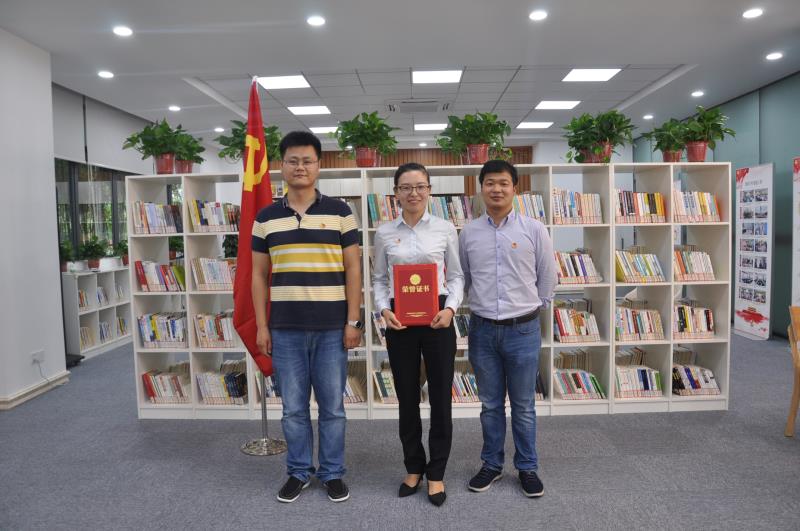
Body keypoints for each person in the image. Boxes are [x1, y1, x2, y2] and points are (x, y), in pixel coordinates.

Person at [251, 131, 362, 504]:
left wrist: (353, 321)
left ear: (318, 165)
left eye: (307, 161)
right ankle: (298, 472)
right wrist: (262, 326)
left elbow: (353, 269)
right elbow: (258, 275)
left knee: (333, 409)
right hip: (285, 330)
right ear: (282, 165)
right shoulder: (266, 218)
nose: (300, 167)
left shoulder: (341, 212)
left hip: (332, 329)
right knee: (293, 410)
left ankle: (332, 473)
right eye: (293, 160)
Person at [458, 159, 558, 498]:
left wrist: (532, 307)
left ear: (515, 188)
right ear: (481, 188)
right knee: (489, 404)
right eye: (490, 183)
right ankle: (492, 464)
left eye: (503, 183)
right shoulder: (469, 233)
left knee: (524, 404)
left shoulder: (534, 229)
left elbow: (548, 275)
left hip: (523, 330)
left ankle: (527, 467)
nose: (496, 189)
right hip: (483, 330)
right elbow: (464, 278)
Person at [372, 162, 464, 507]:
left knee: (440, 397)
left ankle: (436, 472)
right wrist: (383, 310)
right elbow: (379, 279)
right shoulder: (384, 232)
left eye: (420, 186)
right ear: (396, 193)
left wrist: (451, 309)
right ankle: (413, 467)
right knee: (406, 396)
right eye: (406, 187)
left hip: (438, 316)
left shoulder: (445, 229)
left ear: (429, 190)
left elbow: (456, 276)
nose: (414, 193)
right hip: (400, 320)